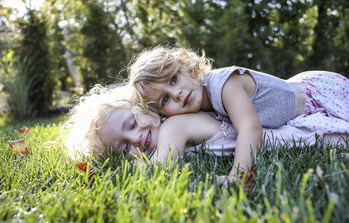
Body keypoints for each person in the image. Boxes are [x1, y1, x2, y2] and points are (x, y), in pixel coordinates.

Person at [128, 46, 349, 181]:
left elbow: (250, 127)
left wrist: (239, 173)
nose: (176, 94)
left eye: (173, 79)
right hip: (295, 109)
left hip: (313, 96)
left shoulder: (223, 84)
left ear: (185, 67)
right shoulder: (201, 108)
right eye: (165, 99)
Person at [65, 84, 347, 184]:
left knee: (332, 141)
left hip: (298, 135)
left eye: (131, 125)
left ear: (145, 109)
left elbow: (161, 169)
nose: (136, 139)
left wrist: (137, 167)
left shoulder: (174, 128)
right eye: (125, 149)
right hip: (283, 131)